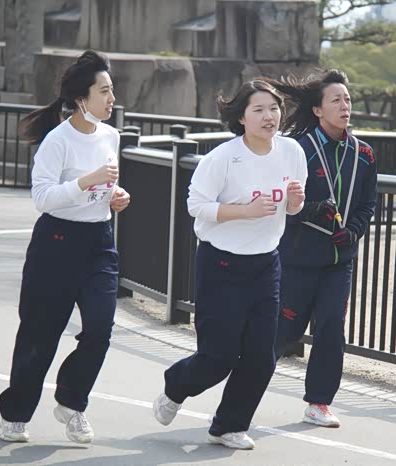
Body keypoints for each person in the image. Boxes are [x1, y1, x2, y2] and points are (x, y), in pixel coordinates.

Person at [153, 80, 307, 450]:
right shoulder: (223, 157)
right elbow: (196, 206)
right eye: (259, 109)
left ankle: (229, 426)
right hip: (220, 264)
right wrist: (245, 211)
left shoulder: (291, 151)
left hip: (265, 264)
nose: (269, 116)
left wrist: (295, 202)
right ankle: (176, 386)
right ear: (241, 117)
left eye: (274, 108)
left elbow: (292, 208)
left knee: (262, 357)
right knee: (218, 357)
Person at [0, 50, 131, 444]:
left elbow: (105, 187)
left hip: (99, 242)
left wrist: (115, 195)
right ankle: (15, 414)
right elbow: (43, 198)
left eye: (112, 90)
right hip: (56, 243)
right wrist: (87, 181)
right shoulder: (57, 140)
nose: (111, 99)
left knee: (100, 329)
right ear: (81, 99)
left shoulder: (111, 136)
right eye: (104, 91)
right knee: (40, 335)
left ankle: (72, 404)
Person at [265, 70, 377, 428]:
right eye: (336, 100)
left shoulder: (364, 153)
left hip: (339, 261)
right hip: (297, 258)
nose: (345, 106)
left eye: (347, 99)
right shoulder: (296, 149)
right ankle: (243, 390)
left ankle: (319, 403)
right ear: (317, 110)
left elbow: (368, 204)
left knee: (331, 328)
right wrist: (312, 210)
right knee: (283, 332)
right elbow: (278, 201)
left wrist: (353, 232)